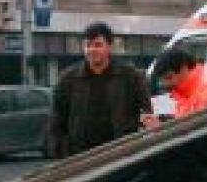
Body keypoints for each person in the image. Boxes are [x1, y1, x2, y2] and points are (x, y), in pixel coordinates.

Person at [49, 22, 154, 158]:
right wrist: (62, 152)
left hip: (120, 156)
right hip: (80, 157)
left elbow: (146, 115)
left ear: (109, 47)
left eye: (98, 45)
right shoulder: (68, 79)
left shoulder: (130, 77)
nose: (92, 50)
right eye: (88, 45)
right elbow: (57, 121)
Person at [151, 49, 207, 118]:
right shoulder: (184, 93)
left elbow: (200, 130)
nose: (165, 84)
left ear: (184, 68)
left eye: (169, 77)